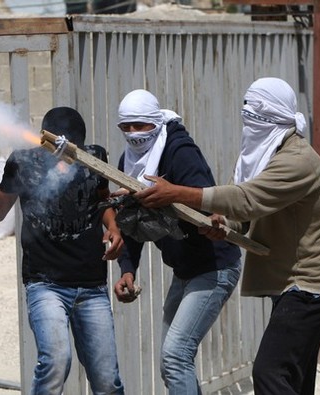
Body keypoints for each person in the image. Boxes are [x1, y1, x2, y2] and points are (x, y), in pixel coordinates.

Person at [131, 78, 320, 395]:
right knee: (295, 381)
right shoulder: (265, 155)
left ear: (275, 115)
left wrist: (176, 193)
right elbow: (248, 215)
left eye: (256, 113)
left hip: (313, 288)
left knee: (269, 374)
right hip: (293, 287)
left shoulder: (298, 161)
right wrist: (226, 227)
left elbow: (247, 199)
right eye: (245, 112)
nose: (249, 119)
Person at [0, 107, 125, 395]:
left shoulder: (94, 158)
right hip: (46, 284)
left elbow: (101, 200)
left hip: (92, 286)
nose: (63, 161)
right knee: (56, 362)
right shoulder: (23, 162)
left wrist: (113, 228)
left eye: (71, 152)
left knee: (107, 381)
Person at [112, 89, 242, 395]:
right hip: (184, 272)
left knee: (175, 356)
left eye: (140, 125)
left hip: (214, 265)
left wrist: (171, 194)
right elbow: (131, 221)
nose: (133, 133)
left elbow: (206, 200)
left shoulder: (179, 151)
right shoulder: (129, 162)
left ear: (155, 122)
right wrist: (128, 270)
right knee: (172, 360)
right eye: (126, 127)